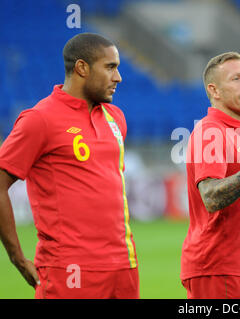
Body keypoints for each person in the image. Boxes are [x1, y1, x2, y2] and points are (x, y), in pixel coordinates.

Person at [0, 33, 139, 299]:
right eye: (110, 67)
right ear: (82, 68)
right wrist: (17, 257)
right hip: (71, 270)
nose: (118, 77)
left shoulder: (115, 117)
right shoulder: (39, 120)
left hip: (124, 267)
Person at [180, 52, 240, 299]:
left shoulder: (237, 134)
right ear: (215, 91)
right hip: (216, 267)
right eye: (236, 79)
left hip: (230, 269)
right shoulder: (210, 131)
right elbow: (211, 197)